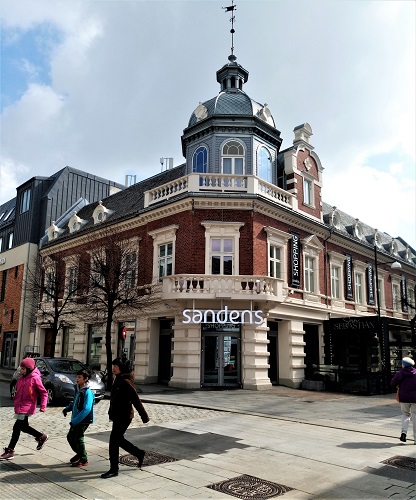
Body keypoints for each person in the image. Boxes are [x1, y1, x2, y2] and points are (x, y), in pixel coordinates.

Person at [101, 357, 149, 479]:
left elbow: (136, 400)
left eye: (116, 366)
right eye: (113, 366)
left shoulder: (126, 381)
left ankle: (114, 469)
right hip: (118, 415)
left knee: (114, 441)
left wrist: (144, 416)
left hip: (124, 416)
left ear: (121, 368)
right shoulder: (118, 378)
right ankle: (139, 453)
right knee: (118, 440)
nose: (113, 368)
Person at [0, 357, 48, 460]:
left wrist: (43, 406)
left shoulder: (35, 378)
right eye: (20, 368)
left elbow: (44, 393)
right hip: (19, 406)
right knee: (23, 427)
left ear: (29, 369)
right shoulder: (21, 378)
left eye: (23, 369)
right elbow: (17, 391)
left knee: (17, 427)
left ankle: (10, 450)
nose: (21, 371)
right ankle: (41, 436)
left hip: (27, 406)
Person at [63, 368, 95, 466]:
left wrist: (75, 421)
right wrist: (67, 408)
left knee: (78, 438)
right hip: (77, 419)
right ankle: (81, 453)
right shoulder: (78, 389)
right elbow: (75, 402)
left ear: (86, 379)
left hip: (83, 420)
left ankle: (83, 459)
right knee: (70, 437)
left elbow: (87, 408)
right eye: (77, 377)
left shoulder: (87, 392)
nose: (77, 379)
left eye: (80, 377)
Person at [390, 356, 416, 444]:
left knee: (405, 414)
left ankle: (404, 433)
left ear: (404, 365)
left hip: (404, 397)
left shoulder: (400, 373)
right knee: (415, 416)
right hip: (415, 398)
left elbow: (393, 383)